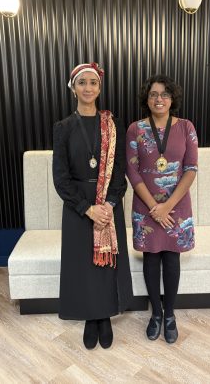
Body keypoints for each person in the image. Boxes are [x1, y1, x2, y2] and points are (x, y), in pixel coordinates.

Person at [53, 62, 133, 350]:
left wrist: (108, 204)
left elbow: (120, 171)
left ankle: (105, 316)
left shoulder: (113, 126)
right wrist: (87, 208)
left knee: (106, 262)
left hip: (108, 204)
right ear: (73, 87)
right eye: (82, 82)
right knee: (83, 264)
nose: (88, 88)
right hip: (78, 206)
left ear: (100, 87)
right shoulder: (62, 128)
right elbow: (60, 179)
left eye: (93, 83)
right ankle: (90, 316)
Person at [126, 74, 198, 344]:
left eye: (164, 94)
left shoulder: (186, 127)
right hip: (146, 208)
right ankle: (155, 313)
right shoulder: (135, 129)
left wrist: (166, 206)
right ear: (147, 98)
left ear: (172, 99)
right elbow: (131, 171)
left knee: (171, 258)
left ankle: (170, 315)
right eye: (154, 94)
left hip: (176, 207)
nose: (159, 99)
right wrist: (155, 207)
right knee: (151, 258)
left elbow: (191, 169)